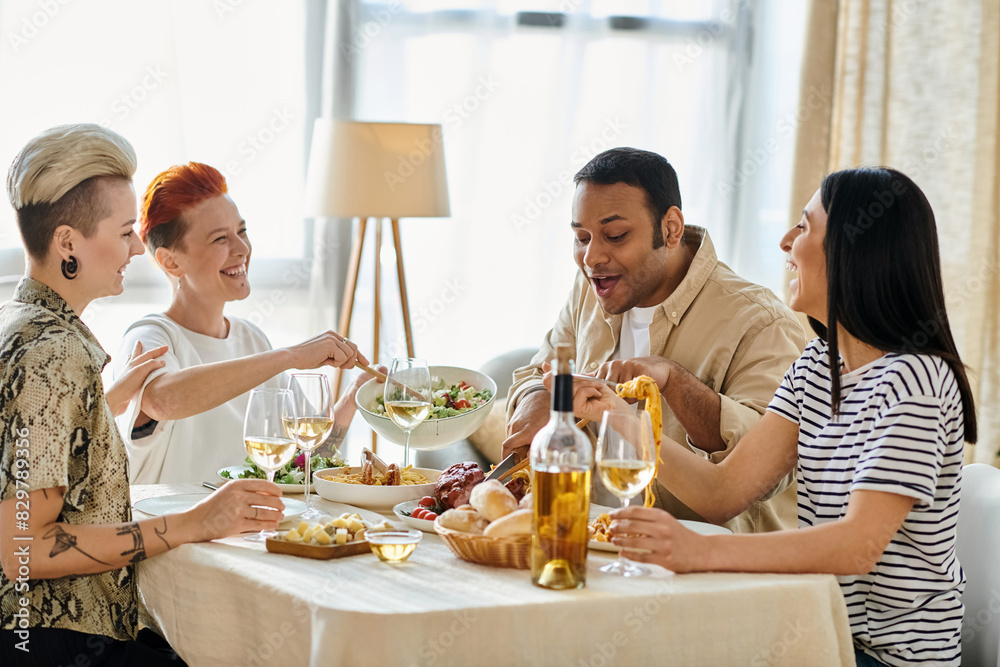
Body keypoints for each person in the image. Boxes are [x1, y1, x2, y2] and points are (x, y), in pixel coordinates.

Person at [566, 167, 973, 667]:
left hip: (881, 656)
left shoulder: (917, 380)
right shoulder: (816, 369)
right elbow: (722, 492)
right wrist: (616, 414)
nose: (786, 241)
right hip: (815, 631)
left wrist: (700, 552)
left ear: (854, 249)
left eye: (804, 227)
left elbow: (857, 545)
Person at [0, 124, 288, 665]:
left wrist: (101, 407)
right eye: (127, 230)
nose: (138, 247)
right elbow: (23, 545)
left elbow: (24, 457)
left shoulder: (23, 324)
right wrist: (196, 522)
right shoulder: (54, 350)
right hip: (55, 639)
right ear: (68, 243)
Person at [504, 147, 806, 533]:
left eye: (615, 235)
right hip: (599, 543)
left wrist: (676, 382)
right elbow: (539, 369)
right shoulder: (589, 291)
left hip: (714, 567)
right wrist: (537, 397)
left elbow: (760, 474)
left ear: (671, 229)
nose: (591, 257)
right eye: (581, 237)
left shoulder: (761, 320)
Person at [114, 162, 376, 484]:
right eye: (219, 239)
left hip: (241, 532)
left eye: (241, 231)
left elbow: (304, 463)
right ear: (171, 261)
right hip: (169, 530)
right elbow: (162, 399)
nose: (242, 249)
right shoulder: (150, 337)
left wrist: (351, 399)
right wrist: (290, 357)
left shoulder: (251, 340)